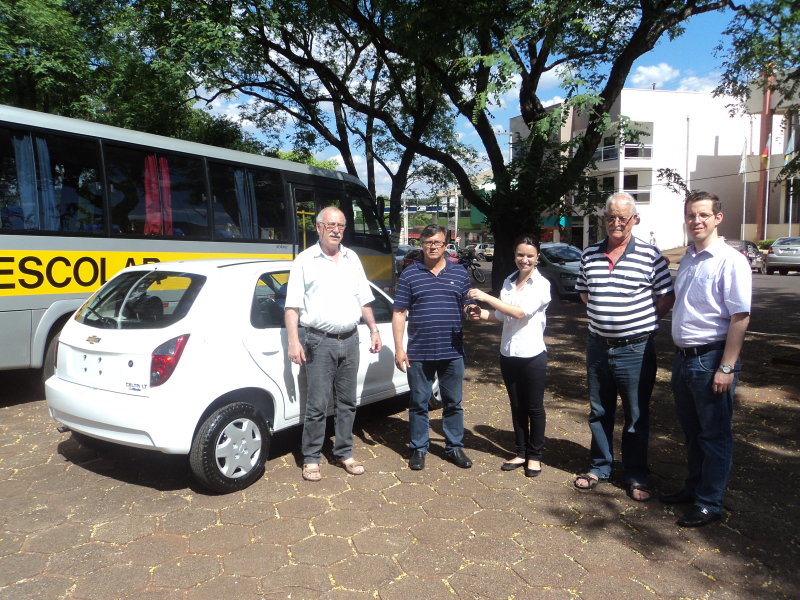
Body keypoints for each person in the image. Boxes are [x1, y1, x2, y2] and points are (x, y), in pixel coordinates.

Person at [574, 192, 675, 501]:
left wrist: (645, 322)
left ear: (635, 219)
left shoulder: (650, 255)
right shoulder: (589, 254)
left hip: (636, 350)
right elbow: (584, 292)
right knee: (599, 411)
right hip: (597, 347)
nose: (616, 223)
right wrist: (604, 315)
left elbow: (666, 296)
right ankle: (599, 467)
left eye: (622, 217)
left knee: (635, 414)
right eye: (611, 217)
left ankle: (636, 474)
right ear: (604, 219)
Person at [661, 191, 751, 527]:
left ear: (718, 218)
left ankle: (710, 502)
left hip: (711, 359)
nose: (696, 221)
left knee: (715, 436)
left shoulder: (731, 260)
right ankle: (694, 488)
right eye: (691, 215)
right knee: (692, 432)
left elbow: (740, 317)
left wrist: (726, 367)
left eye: (703, 215)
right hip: (683, 360)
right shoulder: (688, 258)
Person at [285, 207, 382, 481]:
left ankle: (344, 452)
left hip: (350, 339)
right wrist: (293, 341)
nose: (336, 230)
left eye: (340, 225)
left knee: (348, 403)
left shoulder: (352, 258)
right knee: (317, 405)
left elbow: (364, 299)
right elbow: (292, 306)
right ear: (318, 228)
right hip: (319, 341)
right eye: (330, 225)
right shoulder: (304, 260)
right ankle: (311, 457)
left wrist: (374, 329)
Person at [392, 224, 476, 470]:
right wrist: (399, 348)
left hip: (452, 350)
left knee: (453, 402)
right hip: (419, 351)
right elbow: (399, 312)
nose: (432, 247)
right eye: (428, 242)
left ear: (445, 245)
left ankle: (454, 447)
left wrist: (471, 310)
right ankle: (418, 448)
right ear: (422, 244)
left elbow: (466, 304)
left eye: (437, 242)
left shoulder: (459, 272)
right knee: (419, 403)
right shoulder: (410, 274)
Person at [467, 234, 550, 477]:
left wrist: (486, 297)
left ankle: (535, 456)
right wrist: (480, 314)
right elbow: (502, 316)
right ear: (515, 255)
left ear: (537, 257)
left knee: (534, 407)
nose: (525, 259)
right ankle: (521, 452)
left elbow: (520, 312)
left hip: (532, 355)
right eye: (520, 254)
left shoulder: (542, 284)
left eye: (530, 256)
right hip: (508, 353)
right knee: (516, 406)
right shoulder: (509, 281)